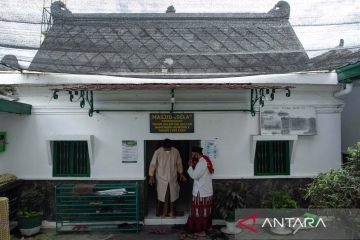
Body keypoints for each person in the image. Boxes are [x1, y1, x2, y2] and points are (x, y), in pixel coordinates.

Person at [149, 139, 187, 217]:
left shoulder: (175, 151)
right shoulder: (158, 152)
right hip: (161, 178)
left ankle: (172, 213)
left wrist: (181, 173)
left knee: (173, 196)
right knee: (162, 196)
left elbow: (179, 163)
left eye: (169, 149)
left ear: (171, 146)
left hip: (172, 177)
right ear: (163, 147)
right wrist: (151, 176)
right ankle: (162, 213)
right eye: (166, 149)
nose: (167, 150)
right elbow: (153, 164)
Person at [182, 146, 214, 239]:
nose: (192, 156)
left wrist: (190, 166)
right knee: (204, 212)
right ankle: (207, 228)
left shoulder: (202, 163)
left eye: (193, 154)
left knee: (200, 213)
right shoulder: (205, 160)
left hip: (201, 192)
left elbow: (195, 176)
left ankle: (202, 231)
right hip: (205, 191)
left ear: (197, 153)